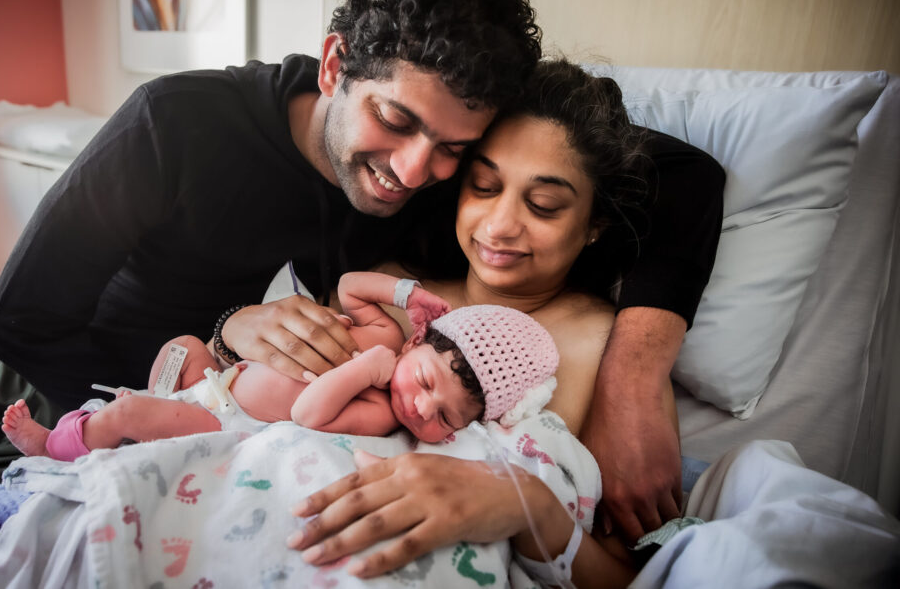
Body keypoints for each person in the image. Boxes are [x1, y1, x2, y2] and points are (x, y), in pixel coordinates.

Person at [0, 0, 723, 559]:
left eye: (454, 149)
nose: (413, 172)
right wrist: (224, 333)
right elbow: (26, 320)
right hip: (17, 367)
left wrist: (635, 375)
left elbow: (683, 175)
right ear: (333, 65)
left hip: (183, 405)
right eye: (395, 121)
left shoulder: (449, 185)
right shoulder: (177, 124)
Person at [275, 57, 723, 584]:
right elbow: (274, 414)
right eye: (484, 187)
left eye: (545, 204)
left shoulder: (605, 350)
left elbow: (626, 578)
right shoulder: (384, 292)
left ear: (594, 225)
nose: (501, 225)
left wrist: (522, 504)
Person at [2, 272, 561, 458]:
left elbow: (309, 411)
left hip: (227, 420)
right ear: (418, 340)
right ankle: (150, 419)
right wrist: (405, 289)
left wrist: (368, 372)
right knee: (181, 347)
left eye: (445, 420)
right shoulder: (386, 332)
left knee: (130, 416)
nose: (421, 410)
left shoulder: (379, 411)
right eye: (426, 384)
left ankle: (55, 445)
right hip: (214, 381)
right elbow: (347, 286)